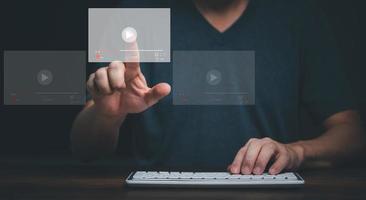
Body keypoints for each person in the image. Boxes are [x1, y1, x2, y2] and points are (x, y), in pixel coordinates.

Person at [71, 0, 365, 175]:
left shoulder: (297, 15)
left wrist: (296, 152)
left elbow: (353, 134)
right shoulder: (135, 14)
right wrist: (107, 115)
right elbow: (84, 149)